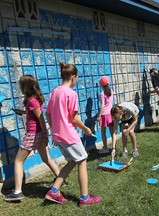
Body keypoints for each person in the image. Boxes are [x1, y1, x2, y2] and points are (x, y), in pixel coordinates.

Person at [45, 63, 101, 207]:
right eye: (77, 78)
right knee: (82, 160)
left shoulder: (54, 92)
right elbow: (74, 118)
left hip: (58, 135)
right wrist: (86, 128)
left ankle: (54, 191)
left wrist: (54, 131)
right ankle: (84, 198)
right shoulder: (71, 93)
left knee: (71, 161)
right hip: (68, 134)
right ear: (73, 77)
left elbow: (48, 114)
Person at [4, 75, 60, 202]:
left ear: (26, 87)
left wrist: (46, 135)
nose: (20, 88)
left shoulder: (31, 101)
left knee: (18, 161)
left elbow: (40, 118)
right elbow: (34, 114)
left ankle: (17, 192)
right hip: (38, 134)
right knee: (46, 158)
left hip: (33, 134)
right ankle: (60, 178)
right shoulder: (35, 99)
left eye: (21, 86)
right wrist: (23, 112)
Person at [96, 76, 114, 154]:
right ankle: (114, 148)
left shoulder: (102, 94)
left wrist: (99, 115)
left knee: (103, 133)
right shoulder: (111, 91)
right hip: (111, 114)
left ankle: (105, 148)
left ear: (101, 84)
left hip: (104, 115)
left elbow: (102, 105)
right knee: (112, 133)